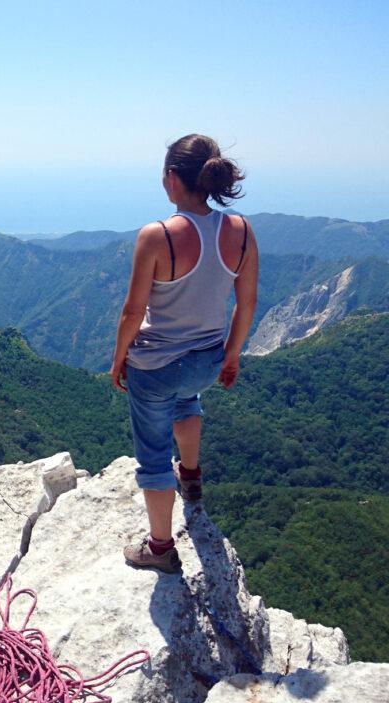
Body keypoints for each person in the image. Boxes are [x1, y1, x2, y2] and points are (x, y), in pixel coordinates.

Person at [110, 133, 259, 574]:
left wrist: (120, 358)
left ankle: (159, 548)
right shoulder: (241, 231)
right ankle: (191, 478)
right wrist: (231, 356)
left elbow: (134, 310)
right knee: (188, 402)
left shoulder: (158, 236)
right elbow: (246, 303)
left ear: (171, 179)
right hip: (207, 362)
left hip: (156, 366)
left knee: (153, 456)